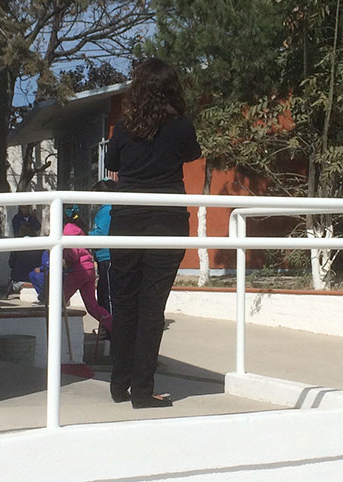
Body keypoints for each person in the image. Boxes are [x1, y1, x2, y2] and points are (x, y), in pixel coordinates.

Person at [103, 57, 200, 408]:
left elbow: (111, 164)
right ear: (172, 88)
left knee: (124, 304)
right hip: (167, 220)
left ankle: (119, 385)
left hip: (126, 219)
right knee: (151, 308)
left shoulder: (124, 126)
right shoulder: (181, 126)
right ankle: (143, 391)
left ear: (138, 88)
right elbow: (191, 155)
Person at [88, 197, 114, 338]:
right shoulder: (105, 209)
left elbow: (101, 233)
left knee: (107, 295)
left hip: (107, 256)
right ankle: (107, 327)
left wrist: (84, 236)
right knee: (103, 294)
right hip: (102, 256)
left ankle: (111, 329)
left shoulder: (107, 209)